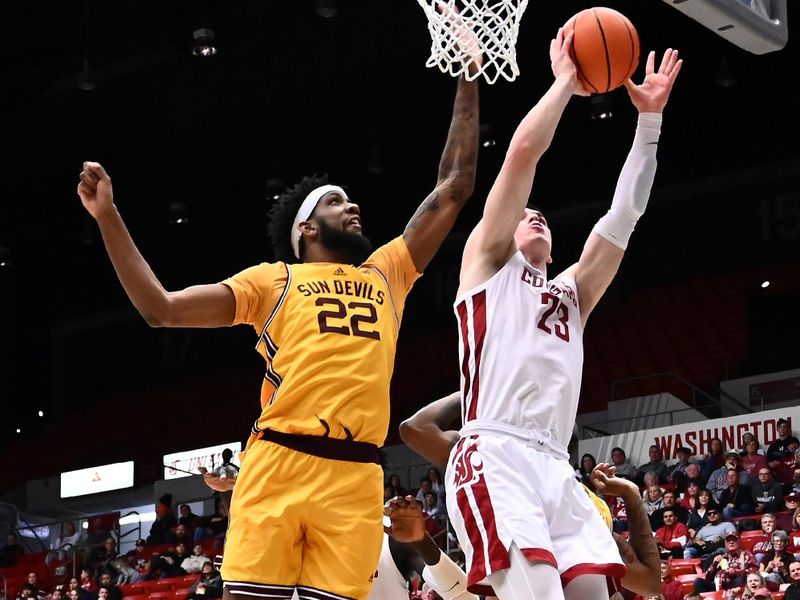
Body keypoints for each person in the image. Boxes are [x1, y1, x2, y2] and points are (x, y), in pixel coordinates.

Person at [77, 21, 480, 599]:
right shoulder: (273, 282)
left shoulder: (386, 271)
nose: (355, 204)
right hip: (279, 463)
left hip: (357, 475)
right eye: (338, 202)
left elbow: (454, 187)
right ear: (307, 228)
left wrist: (469, 69)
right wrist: (108, 217)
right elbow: (161, 309)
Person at [445, 24, 681, 596]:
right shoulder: (485, 266)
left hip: (556, 466)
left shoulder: (572, 292)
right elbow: (524, 153)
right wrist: (564, 84)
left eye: (544, 215)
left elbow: (625, 214)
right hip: (493, 453)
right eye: (527, 213)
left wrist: (648, 124)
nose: (537, 216)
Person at [399, 393, 662, 599]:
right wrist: (485, 386)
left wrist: (631, 493)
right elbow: (415, 429)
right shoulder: (486, 456)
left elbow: (650, 582)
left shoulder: (586, 506)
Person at [693, 531, 757, 593]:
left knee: (739, 579)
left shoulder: (746, 554)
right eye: (728, 540)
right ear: (725, 543)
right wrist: (714, 564)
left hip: (737, 585)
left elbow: (755, 572)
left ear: (739, 541)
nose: (731, 542)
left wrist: (736, 572)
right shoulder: (721, 557)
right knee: (698, 582)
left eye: (734, 540)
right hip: (720, 585)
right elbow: (708, 577)